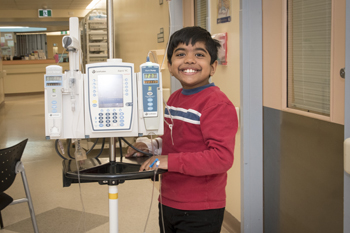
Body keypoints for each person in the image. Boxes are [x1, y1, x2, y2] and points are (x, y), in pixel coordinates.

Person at [126, 26, 238, 233]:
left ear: (213, 67)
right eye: (180, 54)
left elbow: (221, 158)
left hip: (200, 208)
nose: (189, 60)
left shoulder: (216, 104)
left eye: (199, 54)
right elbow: (173, 139)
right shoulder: (176, 98)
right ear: (169, 65)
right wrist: (150, 146)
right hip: (169, 199)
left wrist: (169, 161)